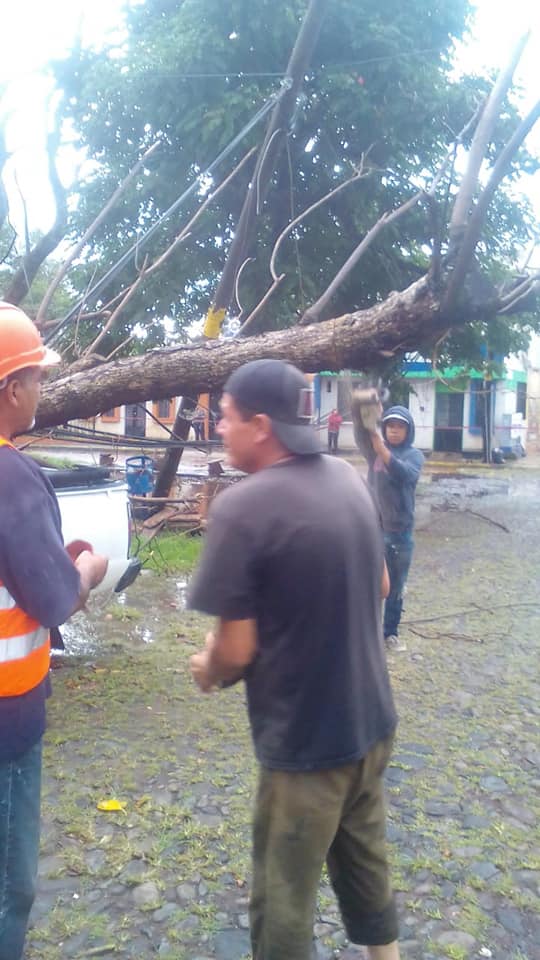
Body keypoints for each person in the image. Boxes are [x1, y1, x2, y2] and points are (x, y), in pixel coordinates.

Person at [188, 358, 401, 960]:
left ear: (260, 425)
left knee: (282, 903)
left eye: (224, 419)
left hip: (307, 748)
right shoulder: (344, 476)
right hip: (371, 725)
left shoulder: (242, 508)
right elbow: (382, 585)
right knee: (367, 875)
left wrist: (206, 668)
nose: (217, 430)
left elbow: (234, 651)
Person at [0, 302, 109, 960]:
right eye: (37, 375)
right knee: (8, 890)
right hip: (6, 720)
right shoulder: (11, 475)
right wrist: (87, 569)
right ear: (12, 388)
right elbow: (54, 598)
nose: (44, 387)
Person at [360, 404, 424, 653]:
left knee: (395, 586)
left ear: (408, 430)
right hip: (374, 529)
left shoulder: (413, 455)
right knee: (372, 584)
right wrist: (369, 410)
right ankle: (369, 631)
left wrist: (383, 450)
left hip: (399, 533)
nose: (394, 431)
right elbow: (361, 429)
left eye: (400, 427)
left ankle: (390, 633)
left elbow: (405, 475)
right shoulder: (373, 451)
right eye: (390, 426)